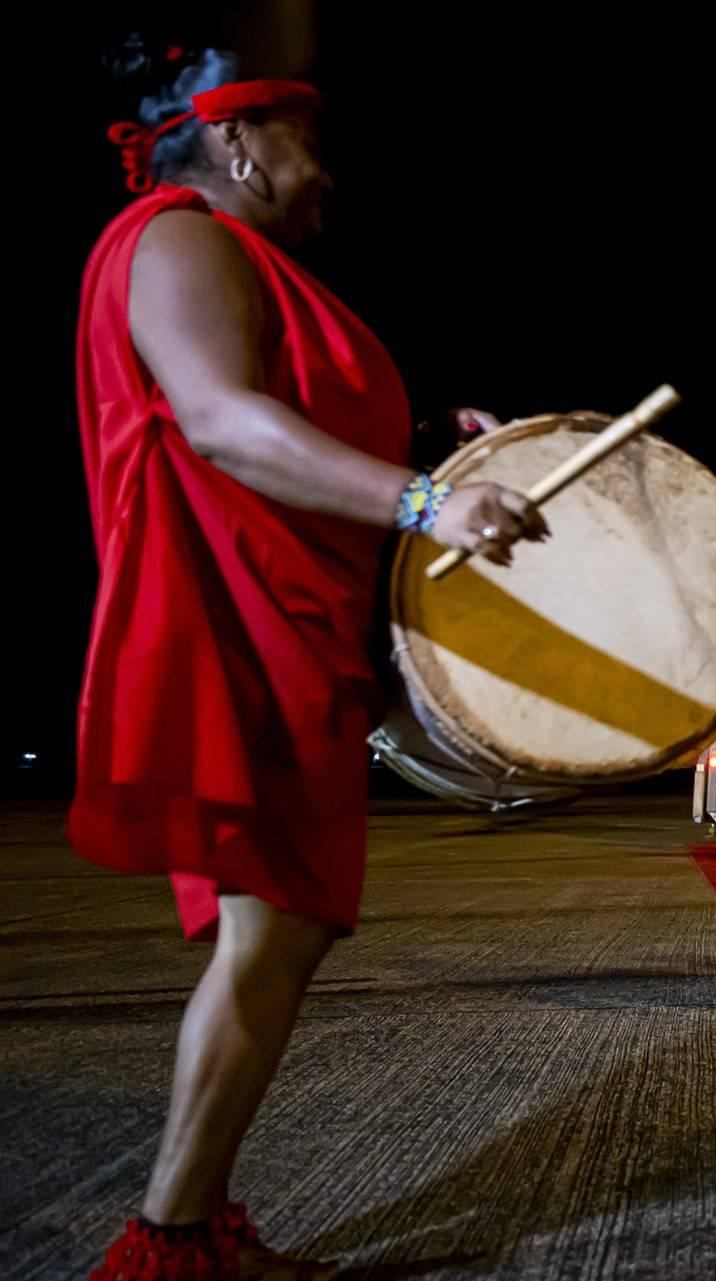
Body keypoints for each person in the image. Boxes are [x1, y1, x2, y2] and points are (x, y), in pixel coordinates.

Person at [74, 46, 546, 1276]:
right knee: (273, 931)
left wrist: (433, 444)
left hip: (289, 629)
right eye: (307, 141)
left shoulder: (238, 257)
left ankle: (191, 1226)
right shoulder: (178, 238)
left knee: (280, 933)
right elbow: (221, 422)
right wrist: (426, 503)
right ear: (237, 140)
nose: (326, 174)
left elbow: (287, 417)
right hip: (241, 631)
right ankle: (170, 1243)